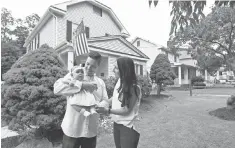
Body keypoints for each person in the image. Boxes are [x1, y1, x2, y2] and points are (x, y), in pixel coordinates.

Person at [54, 51, 109, 148]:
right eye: (87, 64)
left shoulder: (100, 82)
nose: (88, 68)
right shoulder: (75, 75)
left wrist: (100, 106)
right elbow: (57, 89)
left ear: (98, 66)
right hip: (73, 129)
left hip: (90, 131)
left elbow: (105, 100)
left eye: (93, 66)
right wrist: (82, 85)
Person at [96, 57, 142, 148]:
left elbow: (126, 110)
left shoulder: (134, 87)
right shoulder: (120, 81)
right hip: (117, 124)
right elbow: (116, 97)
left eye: (116, 68)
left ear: (124, 70)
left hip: (127, 127)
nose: (113, 70)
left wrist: (108, 111)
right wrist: (104, 103)